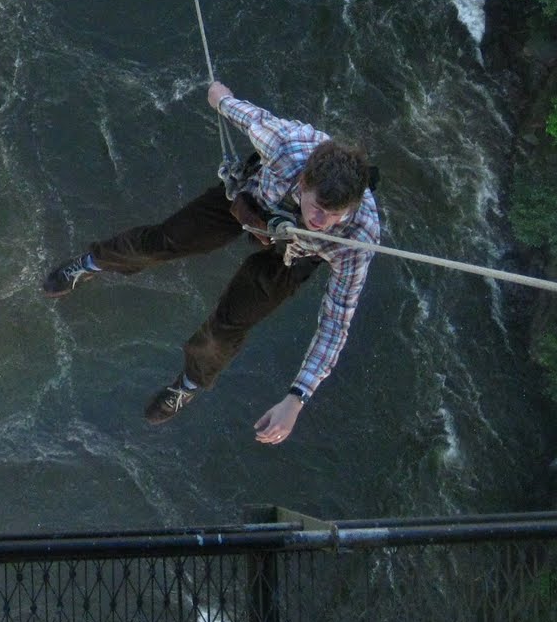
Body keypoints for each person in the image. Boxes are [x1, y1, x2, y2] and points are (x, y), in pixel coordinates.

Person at [42, 80, 379, 445]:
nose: (321, 220)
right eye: (317, 206)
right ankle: (93, 262)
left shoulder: (357, 238)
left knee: (228, 324)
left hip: (297, 254)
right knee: (165, 241)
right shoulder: (286, 146)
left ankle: (189, 382)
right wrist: (221, 99)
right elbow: (248, 116)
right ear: (304, 180)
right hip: (253, 203)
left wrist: (297, 397)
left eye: (334, 214)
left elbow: (336, 322)